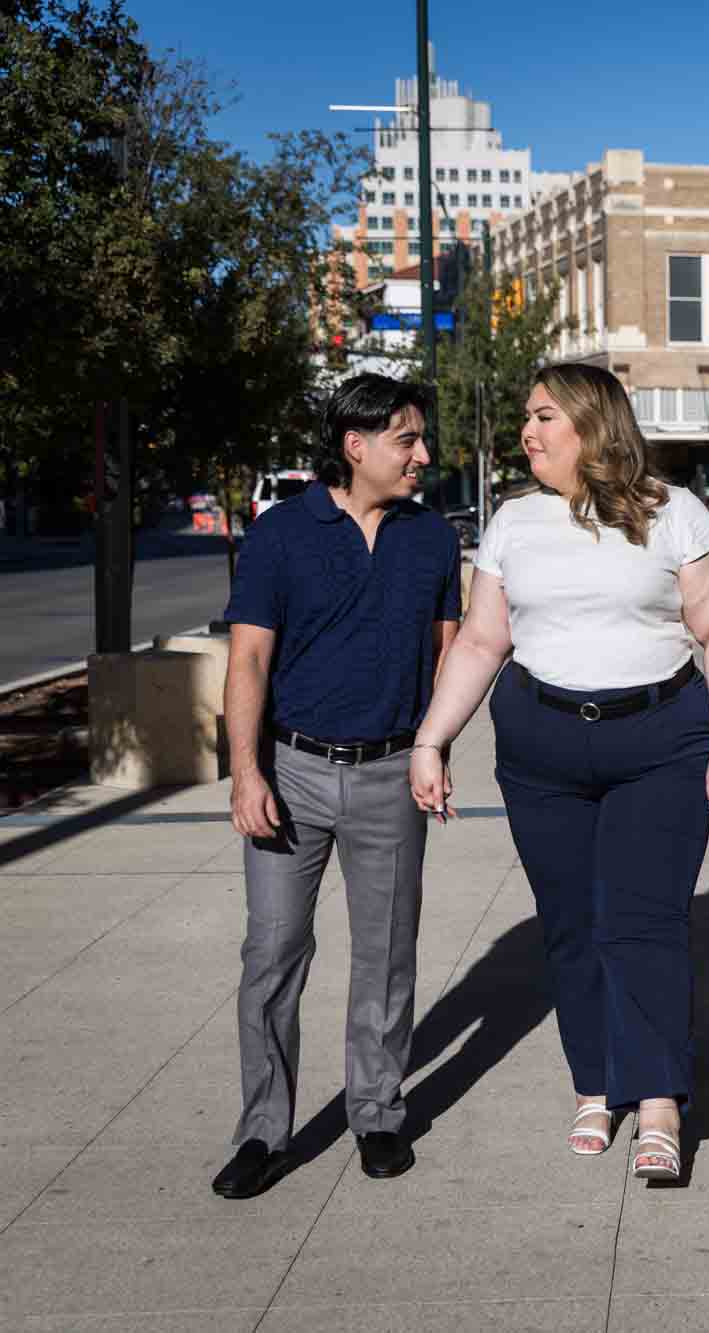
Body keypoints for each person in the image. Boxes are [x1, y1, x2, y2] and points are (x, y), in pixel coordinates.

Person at [408, 362, 709, 1181]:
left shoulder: (675, 514)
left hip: (659, 740)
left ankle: (661, 1096)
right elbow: (485, 641)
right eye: (527, 418)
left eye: (544, 417)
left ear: (593, 424)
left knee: (645, 920)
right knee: (570, 922)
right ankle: (595, 1080)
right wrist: (432, 738)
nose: (529, 432)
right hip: (542, 747)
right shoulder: (514, 523)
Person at [211, 374, 461, 1199]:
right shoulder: (281, 534)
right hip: (293, 773)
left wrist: (436, 746)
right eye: (407, 439)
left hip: (392, 773)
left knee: (386, 957)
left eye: (422, 438)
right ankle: (262, 1133)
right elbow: (247, 658)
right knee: (273, 953)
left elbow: (452, 649)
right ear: (356, 446)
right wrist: (246, 772)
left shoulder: (429, 539)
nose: (424, 454)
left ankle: (379, 1113)